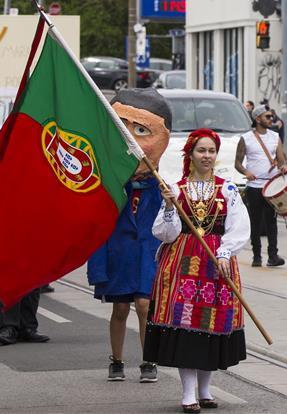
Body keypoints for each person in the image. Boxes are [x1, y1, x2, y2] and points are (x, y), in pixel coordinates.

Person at [145, 128, 250, 413]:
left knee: (211, 324)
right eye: (201, 151)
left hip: (216, 265)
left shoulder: (227, 189)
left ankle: (205, 390)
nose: (207, 156)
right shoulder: (176, 189)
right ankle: (188, 393)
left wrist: (226, 251)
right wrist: (169, 206)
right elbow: (165, 233)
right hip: (183, 263)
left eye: (211, 151)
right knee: (187, 325)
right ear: (190, 155)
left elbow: (239, 227)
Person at [88, 88, 172, 383]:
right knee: (121, 308)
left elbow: (170, 224)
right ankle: (117, 359)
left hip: (148, 251)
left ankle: (149, 360)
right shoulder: (111, 184)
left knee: (145, 305)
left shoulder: (160, 186)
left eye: (140, 129)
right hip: (121, 251)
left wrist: (170, 200)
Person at [235, 106, 287, 267]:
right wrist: (246, 172)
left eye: (271, 117)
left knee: (272, 222)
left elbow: (281, 159)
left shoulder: (275, 137)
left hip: (271, 188)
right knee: (255, 222)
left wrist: (283, 166)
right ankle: (256, 256)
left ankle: (273, 256)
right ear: (258, 118)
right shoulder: (246, 138)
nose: (271, 119)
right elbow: (237, 162)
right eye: (268, 117)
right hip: (254, 186)